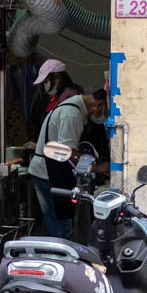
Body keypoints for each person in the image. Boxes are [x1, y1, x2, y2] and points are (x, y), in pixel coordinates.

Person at [27, 88, 108, 241]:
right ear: (99, 105)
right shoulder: (72, 114)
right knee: (61, 228)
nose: (104, 116)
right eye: (106, 112)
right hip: (47, 174)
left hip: (53, 171)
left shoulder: (74, 107)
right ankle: (60, 261)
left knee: (61, 224)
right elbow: (69, 151)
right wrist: (97, 168)